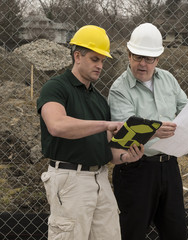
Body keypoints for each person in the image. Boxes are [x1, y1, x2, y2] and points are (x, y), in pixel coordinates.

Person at [37, 25, 144, 240]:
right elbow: (57, 125)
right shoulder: (56, 87)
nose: (100, 65)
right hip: (69, 179)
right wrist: (105, 124)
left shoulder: (99, 100)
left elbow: (107, 149)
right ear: (77, 55)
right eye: (95, 59)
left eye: (103, 61)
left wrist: (126, 156)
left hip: (100, 178)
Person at [108, 23, 188, 240]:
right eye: (137, 57)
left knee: (176, 232)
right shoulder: (120, 89)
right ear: (129, 54)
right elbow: (124, 133)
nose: (142, 64)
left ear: (157, 59)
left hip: (169, 167)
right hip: (136, 170)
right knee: (131, 233)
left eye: (148, 59)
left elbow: (186, 109)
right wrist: (154, 132)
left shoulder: (168, 80)